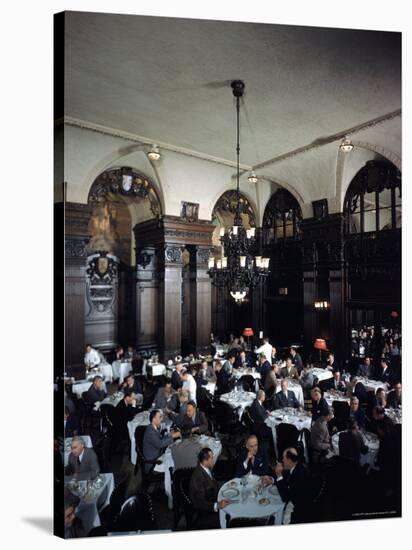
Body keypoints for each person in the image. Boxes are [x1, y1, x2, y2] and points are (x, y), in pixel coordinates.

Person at [189, 448, 230, 529]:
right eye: (211, 457)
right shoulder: (198, 477)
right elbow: (199, 503)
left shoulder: (205, 467)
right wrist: (217, 505)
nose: (213, 459)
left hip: (213, 497)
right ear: (205, 460)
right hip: (207, 511)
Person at [273, 447, 312, 523]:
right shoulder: (296, 467)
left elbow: (285, 497)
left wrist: (279, 475)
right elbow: (286, 482)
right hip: (299, 501)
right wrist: (273, 479)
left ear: (289, 460)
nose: (282, 460)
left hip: (299, 511)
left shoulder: (298, 476)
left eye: (284, 458)